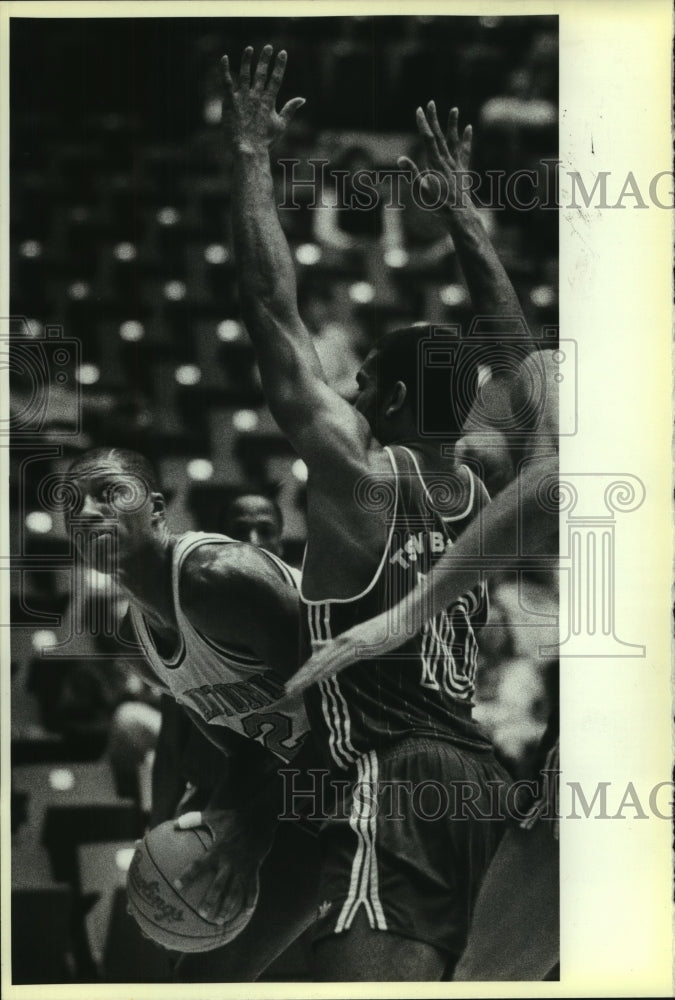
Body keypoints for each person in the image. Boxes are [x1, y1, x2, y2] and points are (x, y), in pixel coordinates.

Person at [220, 44, 533, 981]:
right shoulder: (485, 469)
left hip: (397, 776)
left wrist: (247, 153)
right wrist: (465, 219)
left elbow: (273, 310)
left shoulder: (360, 474)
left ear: (393, 401)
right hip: (481, 785)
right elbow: (522, 367)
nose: (346, 391)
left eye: (363, 382)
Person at [64, 447, 321, 980]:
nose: (87, 511)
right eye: (73, 502)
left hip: (394, 769)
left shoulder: (218, 579)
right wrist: (200, 834)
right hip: (319, 787)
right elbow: (246, 749)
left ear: (157, 509)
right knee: (200, 978)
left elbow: (356, 709)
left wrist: (255, 821)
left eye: (109, 493)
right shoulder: (137, 641)